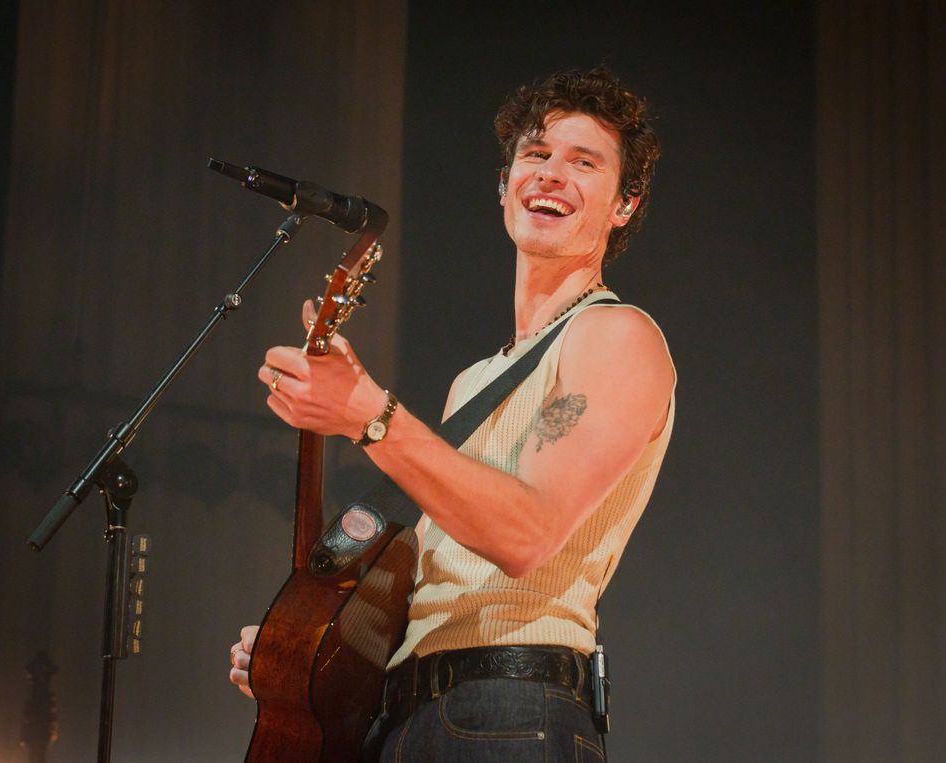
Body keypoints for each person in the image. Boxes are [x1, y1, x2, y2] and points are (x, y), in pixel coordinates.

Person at [230, 66, 675, 761]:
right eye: (535, 154)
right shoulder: (475, 380)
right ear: (503, 185)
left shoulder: (617, 337)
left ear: (624, 204)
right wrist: (306, 654)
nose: (551, 173)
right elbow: (443, 587)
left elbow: (526, 534)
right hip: (407, 717)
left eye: (584, 163)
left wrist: (373, 416)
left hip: (510, 708)